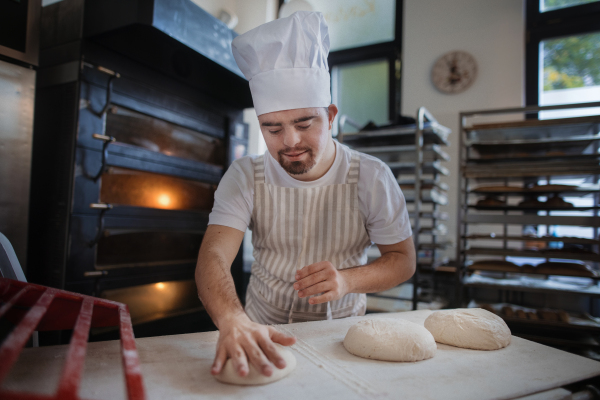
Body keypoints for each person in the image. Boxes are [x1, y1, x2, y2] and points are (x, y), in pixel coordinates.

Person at [195, 11, 415, 380]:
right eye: (273, 128)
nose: (291, 142)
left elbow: (402, 260)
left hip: (342, 336)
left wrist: (347, 280)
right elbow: (213, 257)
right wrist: (232, 319)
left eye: (304, 123)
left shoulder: (372, 177)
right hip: (259, 330)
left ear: (330, 116)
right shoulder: (245, 175)